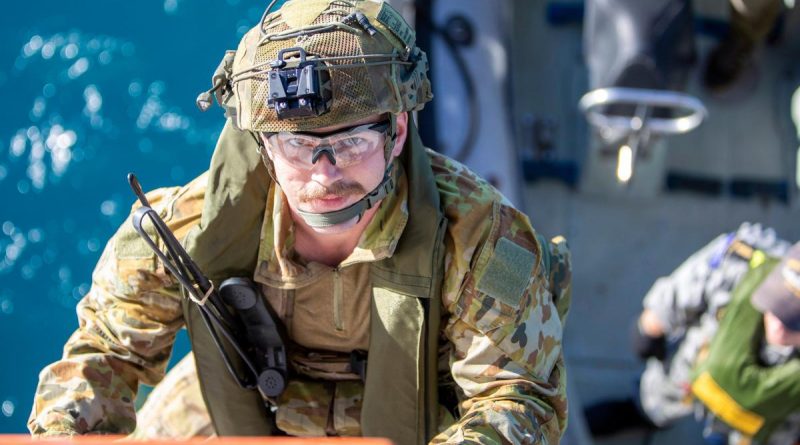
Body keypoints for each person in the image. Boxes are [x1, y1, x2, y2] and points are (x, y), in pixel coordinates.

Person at [27, 1, 572, 443]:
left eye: (351, 142)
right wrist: (64, 430)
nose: (324, 172)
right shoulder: (184, 231)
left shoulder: (481, 239)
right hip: (247, 397)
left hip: (423, 408)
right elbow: (105, 353)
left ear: (398, 131)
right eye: (297, 144)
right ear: (262, 145)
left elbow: (517, 395)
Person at [585, 222, 800, 444]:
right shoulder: (746, 257)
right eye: (778, 299)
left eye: (795, 318)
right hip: (692, 368)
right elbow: (683, 290)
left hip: (768, 423)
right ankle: (643, 413)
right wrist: (649, 328)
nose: (778, 324)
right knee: (655, 399)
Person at [703, 0, 784, 93]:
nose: (732, 58)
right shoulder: (756, 34)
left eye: (724, 61)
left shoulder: (715, 19)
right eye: (734, 65)